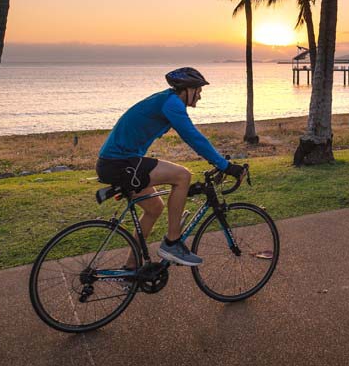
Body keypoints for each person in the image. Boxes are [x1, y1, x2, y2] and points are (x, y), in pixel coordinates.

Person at [96, 67, 245, 267]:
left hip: (117, 162)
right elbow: (193, 137)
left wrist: (219, 162)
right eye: (198, 91)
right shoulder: (172, 103)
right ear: (186, 90)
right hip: (119, 163)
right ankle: (172, 243)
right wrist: (225, 166)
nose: (200, 96)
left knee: (155, 207)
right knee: (182, 176)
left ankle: (131, 267)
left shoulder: (166, 99)